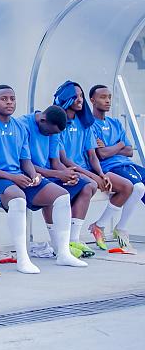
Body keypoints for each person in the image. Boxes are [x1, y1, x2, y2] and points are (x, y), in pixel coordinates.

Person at [0, 85, 87, 274]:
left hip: (17, 176)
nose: (9, 102)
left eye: (12, 99)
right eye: (4, 99)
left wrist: (33, 175)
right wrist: (13, 177)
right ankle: (23, 259)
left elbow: (25, 160)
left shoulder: (18, 127)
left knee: (61, 196)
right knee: (18, 198)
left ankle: (63, 253)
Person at [52, 81, 133, 252]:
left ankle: (99, 226)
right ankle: (73, 240)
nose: (79, 100)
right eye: (75, 96)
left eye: (81, 96)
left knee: (127, 186)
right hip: (67, 168)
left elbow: (92, 155)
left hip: (88, 169)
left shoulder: (84, 122)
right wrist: (94, 177)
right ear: (65, 98)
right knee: (90, 185)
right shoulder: (58, 122)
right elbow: (64, 160)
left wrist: (102, 174)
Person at [18, 105, 96, 258]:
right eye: (50, 133)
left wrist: (68, 174)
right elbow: (23, 164)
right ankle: (58, 245)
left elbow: (55, 162)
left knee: (87, 186)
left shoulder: (53, 129)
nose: (51, 135)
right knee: (54, 194)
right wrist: (59, 175)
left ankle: (72, 240)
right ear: (43, 120)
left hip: (48, 173)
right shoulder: (22, 126)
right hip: (28, 175)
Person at [89, 84, 144, 254]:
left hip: (127, 164)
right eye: (103, 97)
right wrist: (119, 145)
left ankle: (105, 226)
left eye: (109, 97)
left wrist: (113, 147)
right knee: (138, 187)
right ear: (92, 100)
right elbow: (102, 154)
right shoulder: (90, 125)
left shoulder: (115, 123)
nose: (107, 101)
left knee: (141, 186)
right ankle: (118, 228)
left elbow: (129, 150)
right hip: (110, 168)